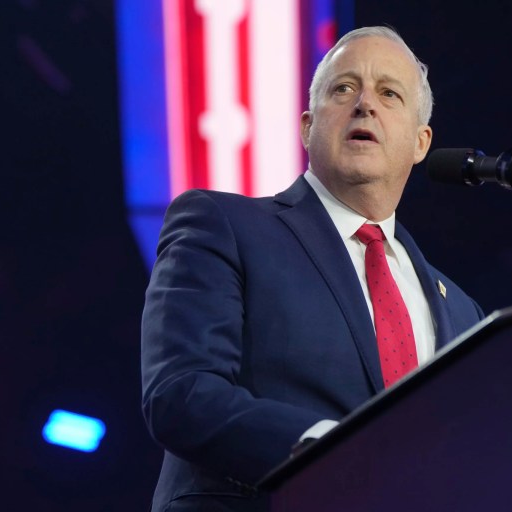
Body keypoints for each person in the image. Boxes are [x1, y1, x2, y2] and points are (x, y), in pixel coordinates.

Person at [141, 26, 484, 512]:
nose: (365, 103)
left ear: (421, 142)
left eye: (389, 93)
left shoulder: (465, 312)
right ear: (306, 126)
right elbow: (182, 395)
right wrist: (333, 450)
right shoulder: (224, 226)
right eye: (343, 88)